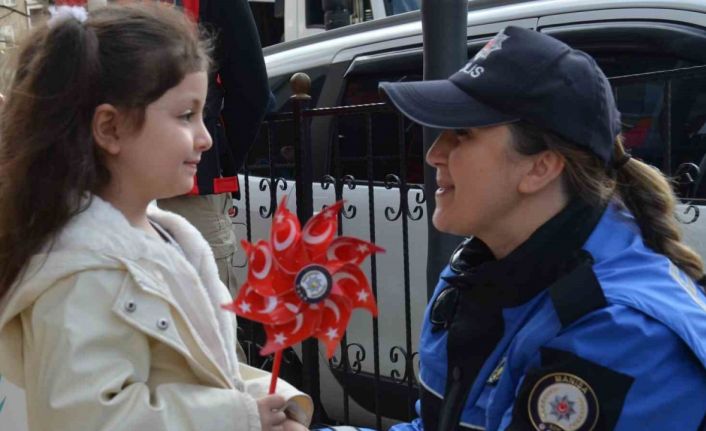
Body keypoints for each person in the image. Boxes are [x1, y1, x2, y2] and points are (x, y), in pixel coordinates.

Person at [0, 4, 311, 431]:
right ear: (110, 128)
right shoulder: (81, 271)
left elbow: (201, 371)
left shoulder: (169, 234)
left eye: (203, 114)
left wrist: (270, 405)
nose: (206, 138)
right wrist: (239, 417)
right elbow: (91, 417)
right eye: (186, 116)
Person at [379, 26, 706, 430]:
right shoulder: (481, 269)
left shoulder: (619, 333)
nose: (434, 154)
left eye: (462, 134)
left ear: (540, 167)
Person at [157, 0, 271, 297]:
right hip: (184, 186)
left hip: (111, 185)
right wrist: (215, 158)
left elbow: (251, 93)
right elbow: (251, 91)